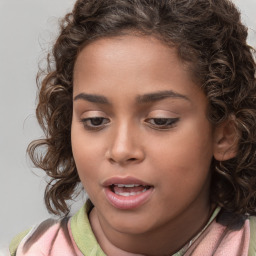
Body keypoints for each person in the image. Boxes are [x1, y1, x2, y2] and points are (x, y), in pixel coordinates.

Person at [9, 0, 256, 255]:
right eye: (95, 120)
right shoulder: (34, 250)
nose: (121, 149)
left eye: (160, 120)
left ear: (225, 135)